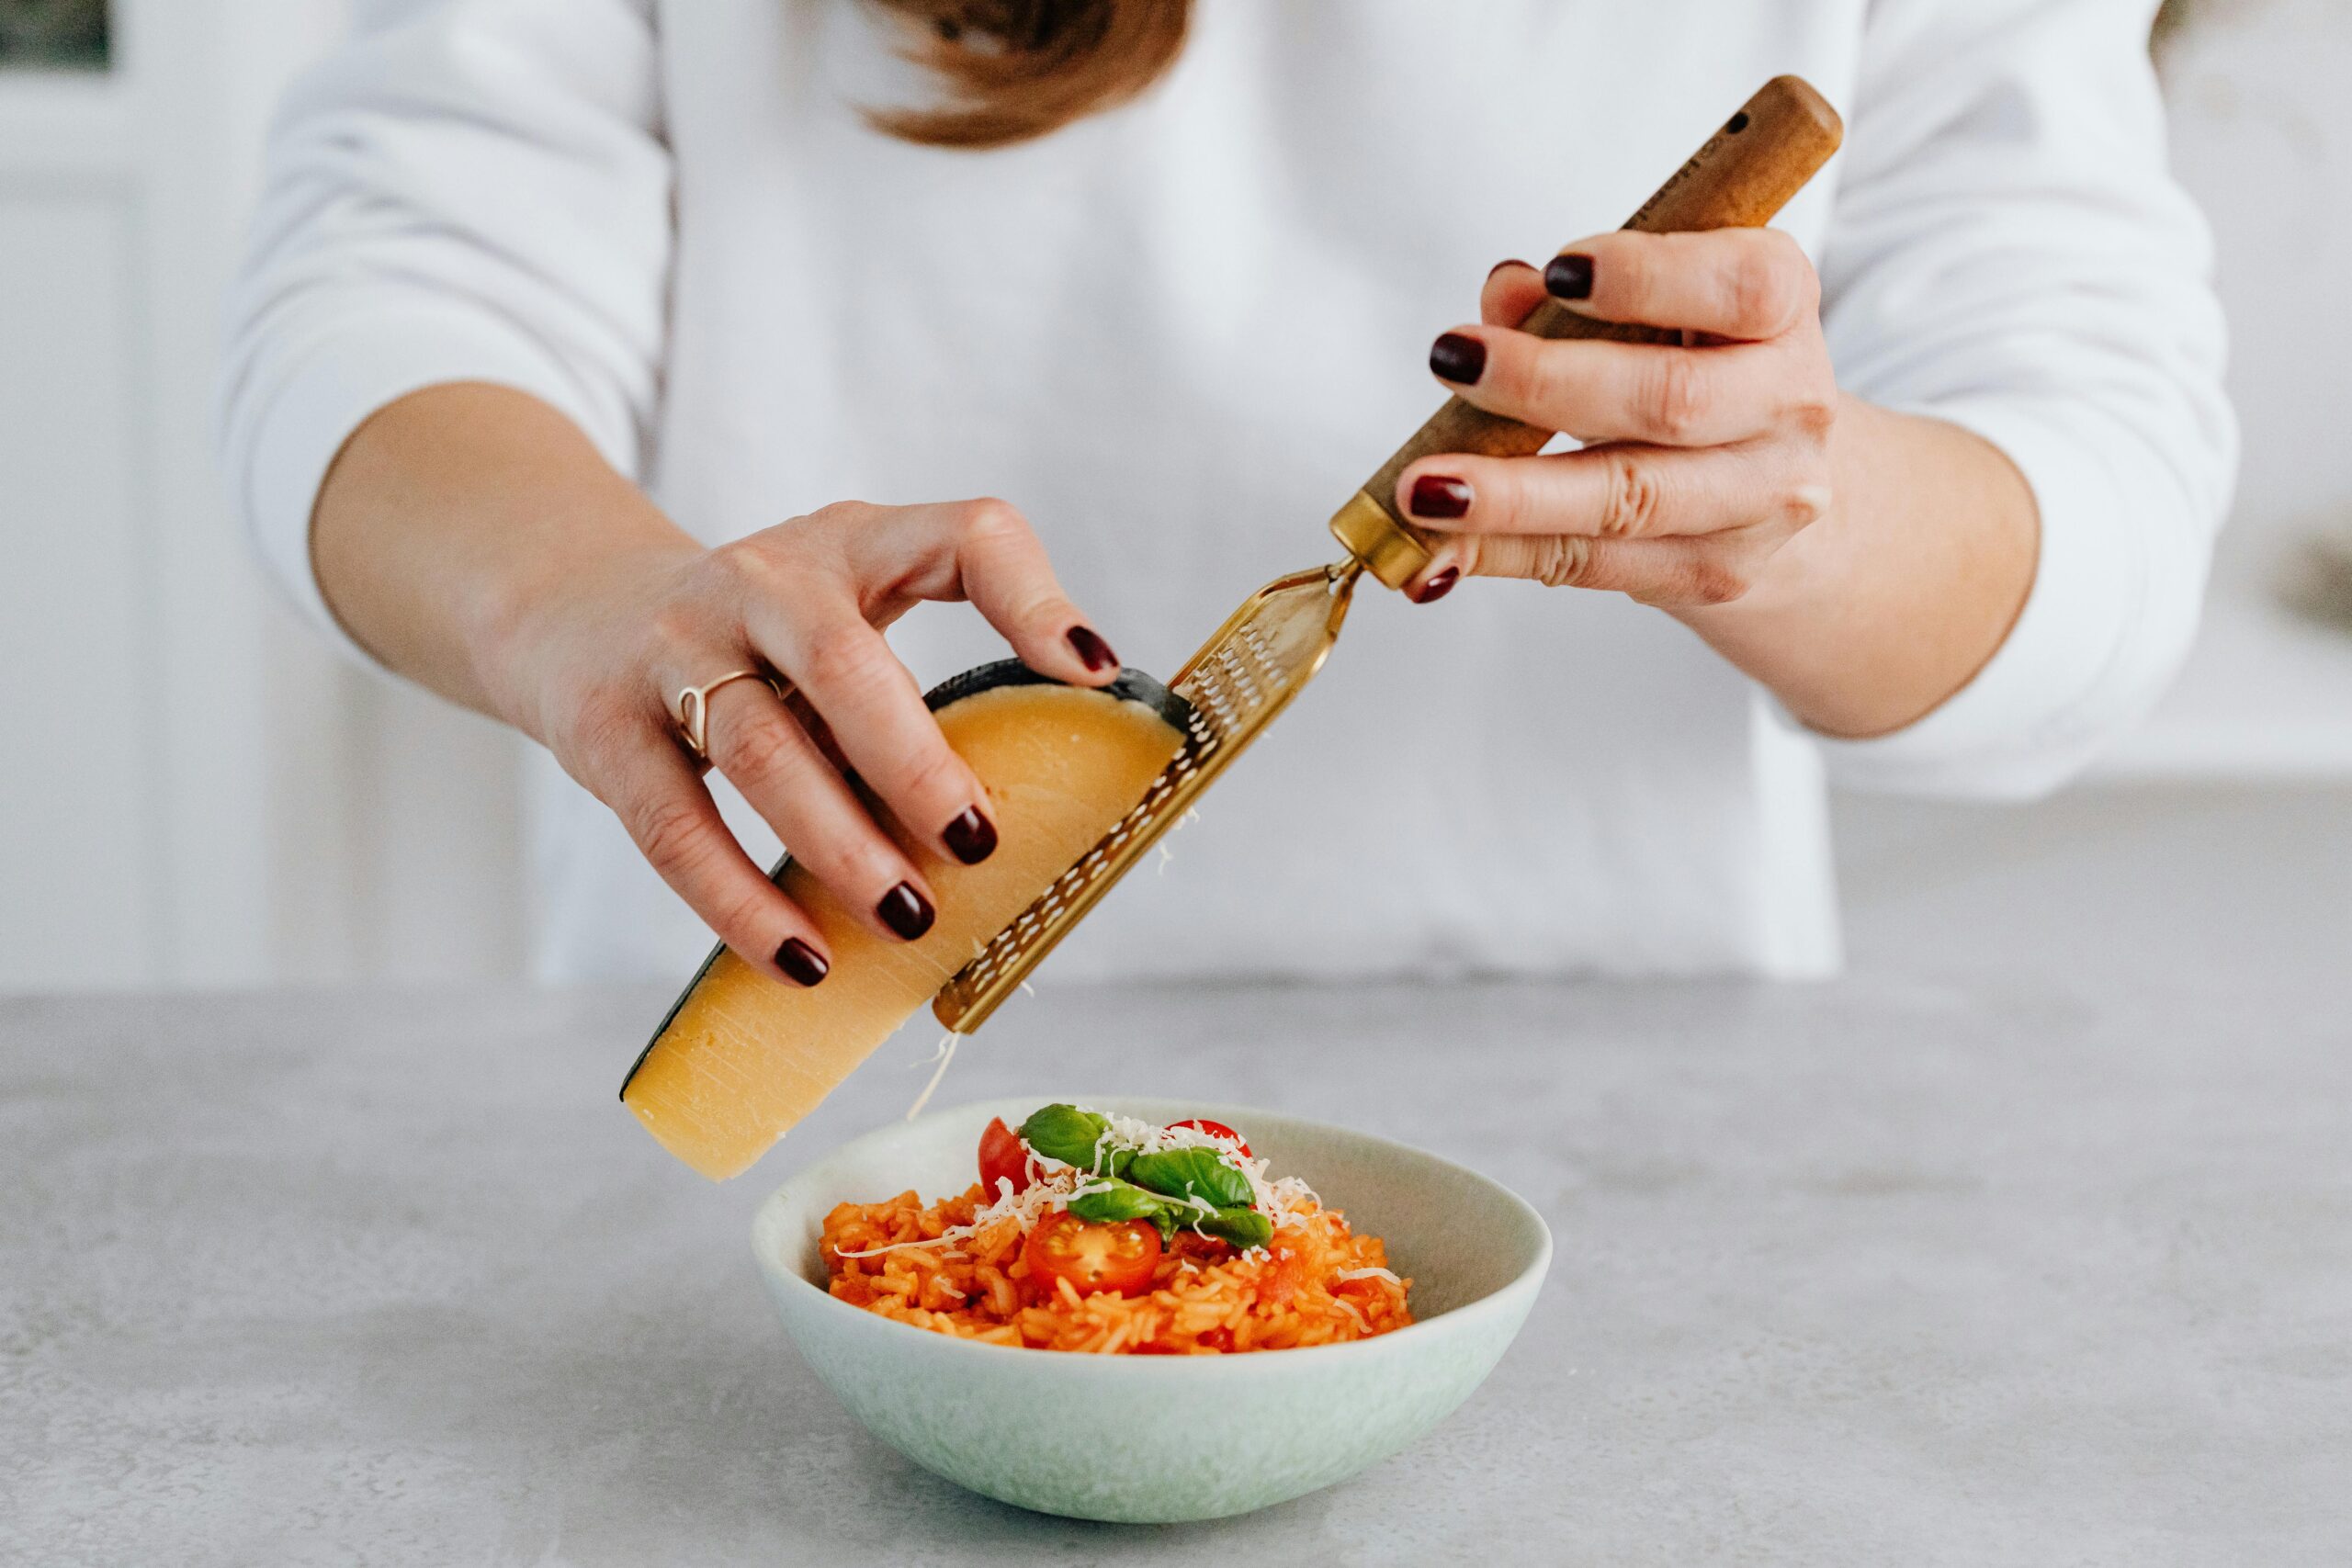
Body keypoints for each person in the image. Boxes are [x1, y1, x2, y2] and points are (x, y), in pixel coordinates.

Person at [217, 0, 2233, 990]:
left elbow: (2099, 508)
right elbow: (389, 287)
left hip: (1595, 1144)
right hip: (790, 1100)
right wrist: (578, 591)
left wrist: (1786, 505)